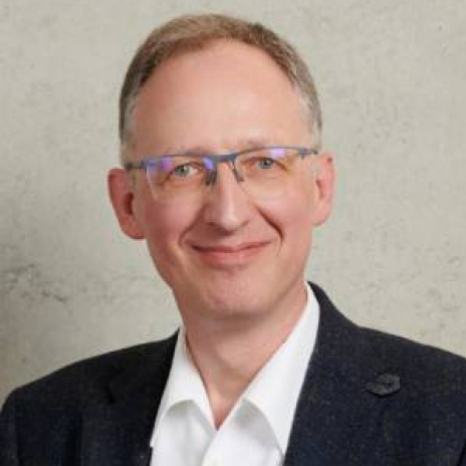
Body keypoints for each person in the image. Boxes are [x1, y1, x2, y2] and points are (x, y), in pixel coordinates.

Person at [1, 13, 466, 466]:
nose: (227, 214)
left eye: (264, 163)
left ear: (320, 189)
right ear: (127, 204)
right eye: (182, 169)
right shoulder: (41, 428)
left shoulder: (451, 419)